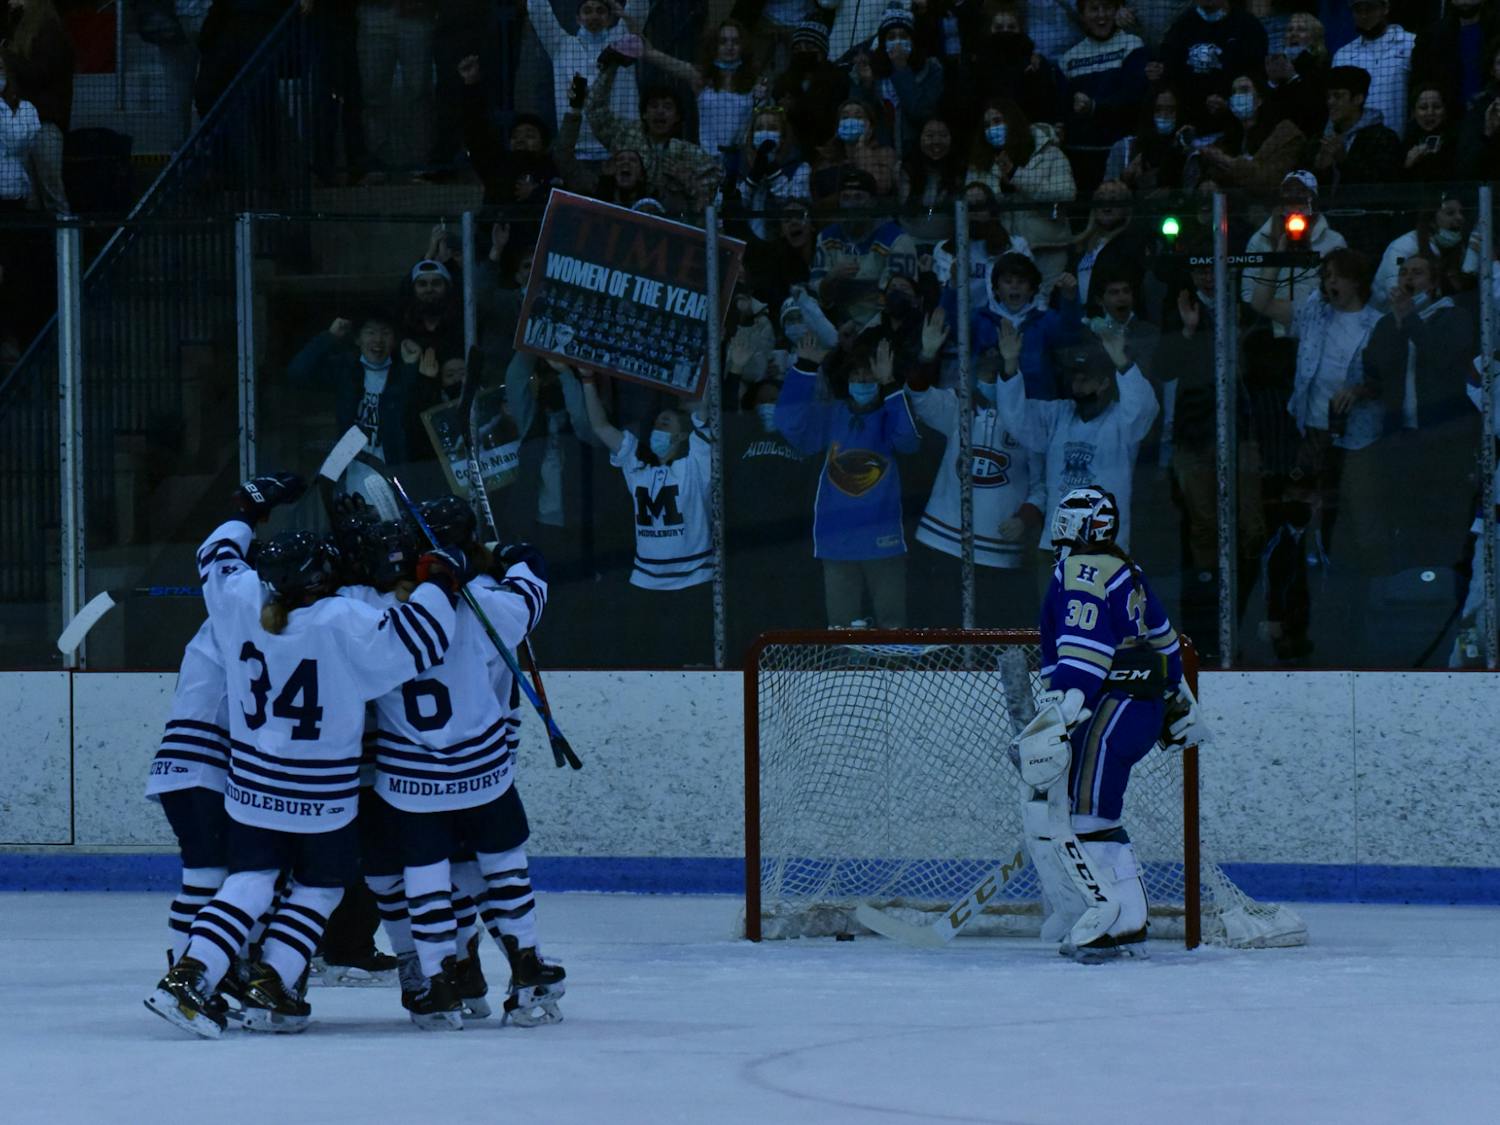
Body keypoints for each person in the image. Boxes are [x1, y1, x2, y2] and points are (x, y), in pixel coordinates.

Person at [146, 472, 461, 1038]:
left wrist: (246, 509)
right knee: (320, 887)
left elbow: (215, 553)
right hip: (322, 798)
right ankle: (273, 977)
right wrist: (439, 574)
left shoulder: (241, 601)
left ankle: (192, 974)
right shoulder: (344, 621)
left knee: (249, 881)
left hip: (251, 789)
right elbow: (424, 639)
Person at [344, 500, 564, 1029]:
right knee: (505, 869)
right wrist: (510, 553)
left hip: (412, 784)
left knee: (424, 879)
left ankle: (441, 978)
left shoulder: (364, 610)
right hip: (485, 773)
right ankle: (528, 964)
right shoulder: (487, 601)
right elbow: (533, 584)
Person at [1017, 484, 1193, 960]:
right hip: (1139, 707)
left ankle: (1109, 916)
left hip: (1108, 705)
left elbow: (1085, 645)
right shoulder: (1126, 569)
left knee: (1080, 813)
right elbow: (1166, 644)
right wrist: (1176, 702)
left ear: (1075, 524)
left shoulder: (1080, 569)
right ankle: (1120, 914)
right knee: (1097, 811)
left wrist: (1065, 711)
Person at [992, 321, 1159, 585]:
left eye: (1085, 378)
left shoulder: (1122, 421)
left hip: (1105, 550)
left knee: (1100, 625)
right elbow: (1017, 418)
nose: (1077, 384)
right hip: (1056, 546)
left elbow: (1143, 408)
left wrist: (1122, 362)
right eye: (1075, 377)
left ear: (1105, 383)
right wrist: (1011, 363)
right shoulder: (1058, 414)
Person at [906, 307, 1043, 626]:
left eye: (1001, 357)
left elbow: (1043, 485)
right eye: (986, 357)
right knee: (939, 642)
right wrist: (927, 355)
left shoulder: (1033, 417)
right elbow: (919, 396)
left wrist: (1025, 518)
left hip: (998, 555)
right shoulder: (959, 405)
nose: (991, 363)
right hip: (941, 543)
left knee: (991, 647)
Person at [775, 330, 920, 630]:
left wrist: (890, 384)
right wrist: (804, 367)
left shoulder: (890, 411)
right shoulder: (833, 414)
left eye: (870, 378)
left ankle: (895, 675)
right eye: (857, 377)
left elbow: (908, 441)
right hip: (836, 539)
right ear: (847, 380)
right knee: (840, 629)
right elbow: (790, 425)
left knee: (893, 626)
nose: (863, 383)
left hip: (885, 539)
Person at [578, 368, 714, 663]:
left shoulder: (695, 465)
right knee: (646, 665)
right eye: (655, 423)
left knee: (696, 666)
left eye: (665, 423)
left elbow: (704, 415)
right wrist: (588, 380)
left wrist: (705, 367)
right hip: (645, 583)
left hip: (693, 583)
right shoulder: (637, 465)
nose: (656, 427)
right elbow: (601, 427)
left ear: (681, 434)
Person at [145, 621, 231, 976]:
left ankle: (186, 968)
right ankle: (185, 976)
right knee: (215, 876)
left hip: (178, 766)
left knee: (207, 874)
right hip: (204, 768)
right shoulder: (237, 624)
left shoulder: (212, 628)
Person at [288, 308, 424, 466]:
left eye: (385, 333)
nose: (378, 340)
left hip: (393, 470)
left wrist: (412, 367)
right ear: (357, 339)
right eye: (370, 332)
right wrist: (329, 336)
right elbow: (297, 372)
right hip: (349, 468)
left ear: (394, 341)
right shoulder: (345, 369)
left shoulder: (402, 374)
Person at [526, 0, 653, 167]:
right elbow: (539, 12)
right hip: (576, 153)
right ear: (578, 18)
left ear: (609, 18)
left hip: (621, 151)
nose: (594, 15)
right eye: (588, 11)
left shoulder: (623, 41)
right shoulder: (561, 45)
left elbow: (639, 6)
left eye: (600, 11)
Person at [585, 57, 723, 210]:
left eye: (668, 107)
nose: (660, 112)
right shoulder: (624, 135)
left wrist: (688, 180)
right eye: (654, 106)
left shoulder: (689, 153)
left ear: (677, 117)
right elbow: (595, 109)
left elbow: (715, 179)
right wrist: (610, 67)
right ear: (644, 113)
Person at [1057, 0, 1149, 192]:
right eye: (1094, 9)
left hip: (1122, 158)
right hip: (1081, 160)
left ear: (1117, 10)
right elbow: (1064, 111)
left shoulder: (1132, 45)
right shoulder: (1068, 59)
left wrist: (1095, 107)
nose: (1101, 15)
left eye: (1107, 7)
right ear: (1082, 15)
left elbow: (1134, 99)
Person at [1, 0, 71, 213]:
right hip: (26, 122)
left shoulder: (49, 30)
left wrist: (7, 56)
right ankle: (39, 243)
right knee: (31, 194)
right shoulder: (17, 24)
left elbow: (40, 73)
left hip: (45, 122)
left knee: (51, 191)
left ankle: (65, 242)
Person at [848, 5, 945, 159]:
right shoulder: (871, 70)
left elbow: (920, 111)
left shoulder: (931, 69)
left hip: (917, 156)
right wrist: (866, 84)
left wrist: (901, 68)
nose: (897, 42)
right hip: (880, 156)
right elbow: (857, 116)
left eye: (903, 36)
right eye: (891, 37)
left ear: (913, 40)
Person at [1331, 0, 1415, 137]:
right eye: (1358, 10)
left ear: (1386, 7)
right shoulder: (1343, 56)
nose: (1364, 16)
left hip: (1399, 143)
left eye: (1370, 8)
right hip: (1354, 148)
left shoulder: (1410, 44)